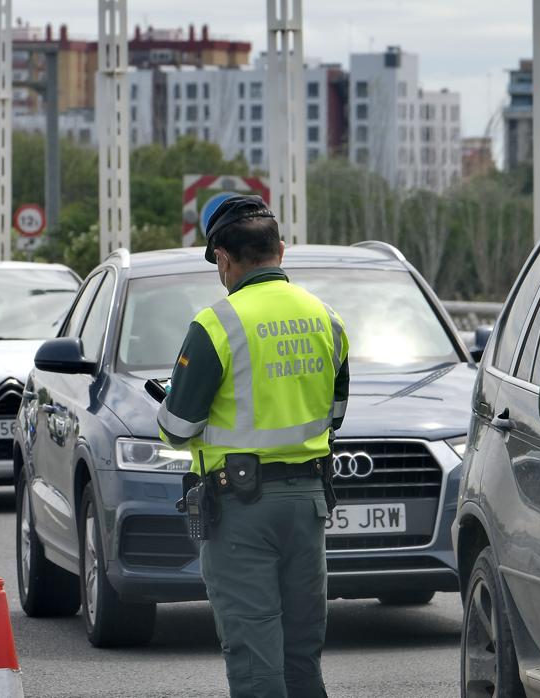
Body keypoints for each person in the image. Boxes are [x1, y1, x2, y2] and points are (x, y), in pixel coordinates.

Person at [157, 193, 349, 698]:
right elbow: (335, 415)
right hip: (308, 504)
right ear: (280, 250)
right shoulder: (326, 318)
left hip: (241, 510)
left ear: (223, 258)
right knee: (302, 653)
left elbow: (178, 427)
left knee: (255, 656)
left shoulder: (215, 324)